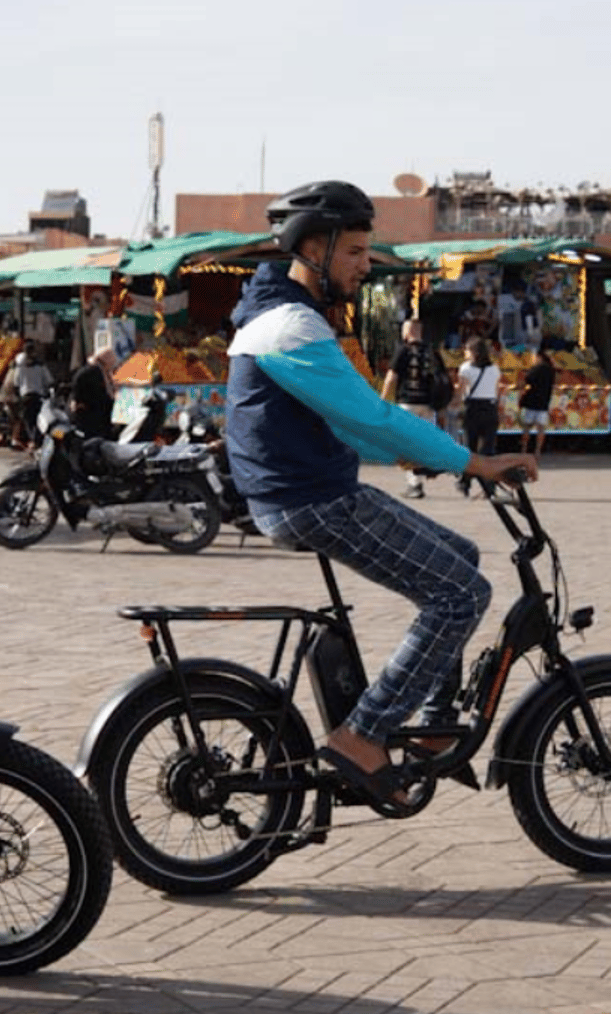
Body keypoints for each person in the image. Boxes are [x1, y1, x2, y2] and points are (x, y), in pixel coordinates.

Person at [224, 180, 537, 807]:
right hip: (311, 499)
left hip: (307, 490)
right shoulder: (288, 324)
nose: (367, 265)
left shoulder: (282, 314)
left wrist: (425, 455)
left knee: (462, 560)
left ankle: (427, 727)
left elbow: (356, 428)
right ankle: (364, 735)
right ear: (312, 247)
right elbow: (372, 420)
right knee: (461, 596)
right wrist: (474, 461)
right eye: (356, 251)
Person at [381, 318, 440, 499]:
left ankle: (415, 484)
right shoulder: (432, 352)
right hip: (429, 405)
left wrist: (382, 399)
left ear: (408, 332)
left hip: (407, 403)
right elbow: (442, 378)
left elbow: (391, 377)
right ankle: (424, 470)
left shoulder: (403, 351)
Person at [455, 337, 505, 496]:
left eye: (467, 350)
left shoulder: (465, 368)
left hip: (473, 409)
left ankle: (465, 482)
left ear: (474, 352)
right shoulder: (495, 369)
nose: (465, 353)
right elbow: (497, 391)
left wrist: (454, 404)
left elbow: (461, 391)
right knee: (489, 448)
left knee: (470, 448)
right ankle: (490, 485)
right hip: (490, 408)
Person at [69, 346, 116, 439]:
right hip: (93, 420)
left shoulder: (98, 371)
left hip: (91, 417)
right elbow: (102, 396)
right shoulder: (94, 372)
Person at [14, 339, 53, 447]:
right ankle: (37, 441)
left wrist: (18, 395)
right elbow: (49, 381)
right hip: (38, 397)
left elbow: (16, 383)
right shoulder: (40, 366)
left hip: (25, 396)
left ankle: (33, 441)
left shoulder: (20, 366)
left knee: (28, 421)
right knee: (39, 420)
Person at [518, 346, 556, 458]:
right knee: (541, 429)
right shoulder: (551, 370)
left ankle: (524, 450)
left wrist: (520, 389)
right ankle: (538, 451)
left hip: (532, 401)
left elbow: (525, 381)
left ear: (539, 357)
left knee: (526, 428)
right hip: (544, 402)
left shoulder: (536, 369)